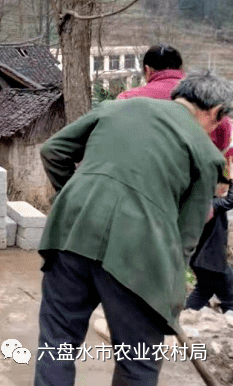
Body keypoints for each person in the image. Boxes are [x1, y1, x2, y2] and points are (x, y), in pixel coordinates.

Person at [34, 70, 231, 386]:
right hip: (140, 257)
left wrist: (75, 197)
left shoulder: (118, 107)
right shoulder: (206, 154)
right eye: (218, 122)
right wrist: (170, 297)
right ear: (215, 112)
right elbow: (185, 239)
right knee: (138, 363)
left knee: (57, 344)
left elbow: (53, 151)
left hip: (70, 233)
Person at [117, 43, 233, 164]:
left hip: (139, 174)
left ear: (147, 70)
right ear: (181, 69)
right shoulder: (208, 99)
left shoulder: (126, 99)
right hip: (198, 175)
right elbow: (223, 137)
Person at [186, 178, 233, 314]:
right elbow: (230, 201)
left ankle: (185, 316)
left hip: (199, 260)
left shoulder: (193, 205)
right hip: (212, 261)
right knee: (230, 295)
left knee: (203, 291)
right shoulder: (211, 204)